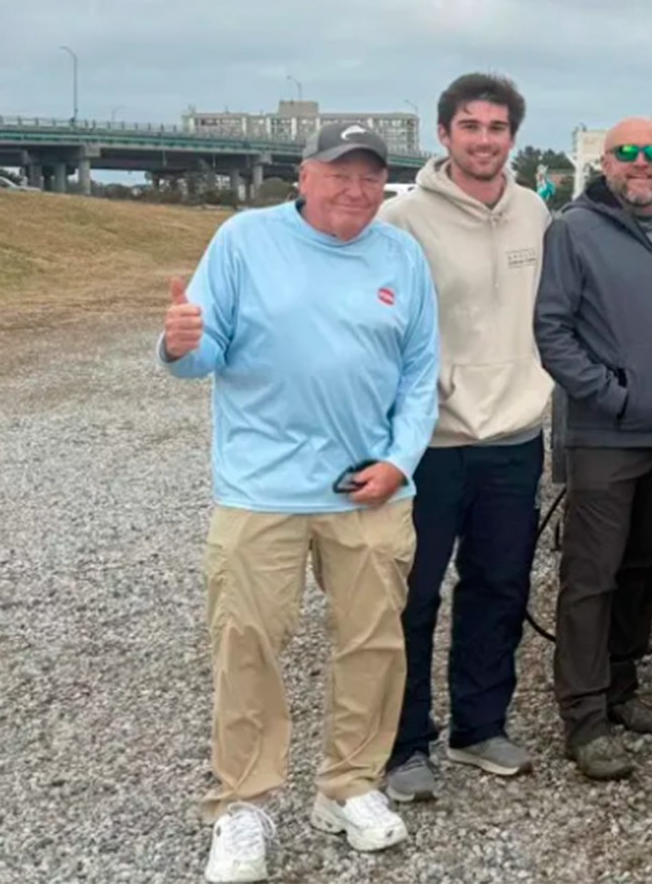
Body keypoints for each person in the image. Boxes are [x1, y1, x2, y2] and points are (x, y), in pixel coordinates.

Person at [160, 120, 438, 883]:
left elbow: (421, 372)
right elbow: (202, 353)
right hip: (262, 489)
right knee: (247, 640)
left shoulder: (402, 256)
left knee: (374, 641)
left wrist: (399, 460)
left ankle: (349, 785)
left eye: (370, 175)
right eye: (339, 172)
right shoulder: (244, 240)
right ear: (305, 175)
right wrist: (181, 344)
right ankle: (243, 803)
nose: (356, 188)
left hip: (370, 487)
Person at [377, 73, 553, 803]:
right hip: (432, 443)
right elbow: (380, 328)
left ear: (513, 137)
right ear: (444, 134)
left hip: (514, 435)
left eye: (497, 127)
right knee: (412, 596)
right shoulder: (403, 219)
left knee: (498, 586)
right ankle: (404, 743)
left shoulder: (534, 211)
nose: (485, 140)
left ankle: (480, 726)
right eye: (471, 126)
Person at [534, 116, 652, 781]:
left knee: (642, 566)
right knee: (592, 576)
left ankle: (621, 683)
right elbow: (552, 330)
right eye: (628, 152)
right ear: (605, 162)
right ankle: (583, 716)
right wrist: (613, 395)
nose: (642, 162)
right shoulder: (573, 230)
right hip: (609, 434)